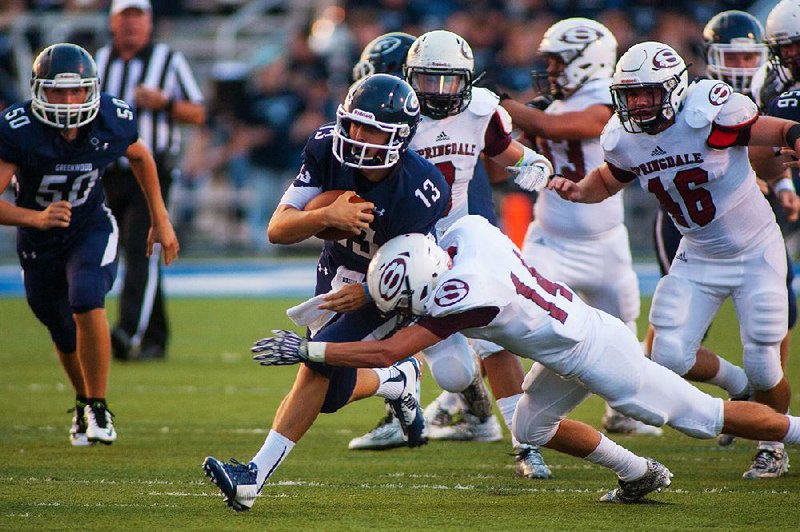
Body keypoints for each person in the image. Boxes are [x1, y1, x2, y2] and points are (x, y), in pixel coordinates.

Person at [251, 215, 800, 505]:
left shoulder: (464, 293)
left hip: (597, 352)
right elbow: (425, 267)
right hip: (567, 340)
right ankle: (639, 473)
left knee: (704, 419)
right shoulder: (467, 237)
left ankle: (794, 432)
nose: (409, 308)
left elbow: (390, 350)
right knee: (530, 424)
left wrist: (310, 349)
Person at [547, 41, 798, 479]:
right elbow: (609, 178)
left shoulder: (708, 114)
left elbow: (778, 131)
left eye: (649, 92)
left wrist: (795, 138)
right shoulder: (625, 138)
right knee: (667, 356)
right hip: (697, 255)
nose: (639, 103)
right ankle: (739, 388)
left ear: (675, 88)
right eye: (631, 94)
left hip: (755, 249)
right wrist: (579, 190)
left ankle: (772, 442)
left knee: (764, 358)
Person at [202, 74, 449, 512]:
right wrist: (327, 214)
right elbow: (277, 229)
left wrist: (370, 293)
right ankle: (398, 380)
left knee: (316, 361)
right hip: (336, 269)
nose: (356, 137)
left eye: (371, 129)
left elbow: (417, 278)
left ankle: (253, 477)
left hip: (389, 288)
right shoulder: (323, 147)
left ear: (400, 136)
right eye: (353, 124)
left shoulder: (420, 191)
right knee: (331, 395)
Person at [348, 30, 556, 479]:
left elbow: (507, 152)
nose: (440, 93)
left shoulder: (483, 109)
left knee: (492, 339)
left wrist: (533, 166)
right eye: (428, 81)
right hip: (412, 242)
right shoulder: (396, 118)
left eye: (450, 82)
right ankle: (465, 410)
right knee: (452, 372)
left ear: (468, 80)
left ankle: (526, 443)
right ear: (409, 77)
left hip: (466, 238)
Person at [0, 43, 179, 446]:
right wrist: (35, 218)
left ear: (91, 89)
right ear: (38, 90)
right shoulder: (18, 129)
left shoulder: (110, 119)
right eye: (58, 91)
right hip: (38, 238)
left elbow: (141, 157)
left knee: (85, 297)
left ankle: (98, 407)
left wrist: (160, 218)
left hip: (89, 225)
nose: (68, 100)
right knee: (60, 324)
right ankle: (84, 401)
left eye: (76, 90)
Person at [497, 18, 659, 437]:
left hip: (607, 243)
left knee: (624, 335)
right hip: (551, 238)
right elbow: (501, 169)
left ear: (587, 61)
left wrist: (503, 106)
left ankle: (623, 409)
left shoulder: (609, 97)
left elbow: (570, 127)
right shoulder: (547, 105)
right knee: (518, 319)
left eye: (557, 62)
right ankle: (494, 406)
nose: (550, 71)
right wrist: (494, 135)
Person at [95, 0, 204, 361]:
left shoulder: (167, 60)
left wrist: (165, 104)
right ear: (113, 22)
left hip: (152, 170)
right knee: (127, 249)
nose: (131, 25)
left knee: (143, 246)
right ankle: (155, 337)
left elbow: (199, 112)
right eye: (124, 17)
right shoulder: (98, 61)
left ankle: (126, 332)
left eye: (137, 17)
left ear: (149, 22)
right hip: (108, 171)